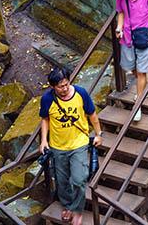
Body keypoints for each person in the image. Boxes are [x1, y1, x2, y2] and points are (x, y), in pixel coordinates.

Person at [39, 66, 102, 225]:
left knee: (79, 178)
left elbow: (92, 114)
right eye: (60, 86)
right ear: (53, 87)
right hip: (58, 146)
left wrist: (98, 134)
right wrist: (44, 140)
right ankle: (67, 205)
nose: (65, 88)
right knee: (62, 180)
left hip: (79, 143)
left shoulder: (80, 93)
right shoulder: (47, 99)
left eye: (66, 84)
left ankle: (77, 209)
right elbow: (45, 119)